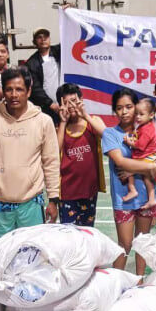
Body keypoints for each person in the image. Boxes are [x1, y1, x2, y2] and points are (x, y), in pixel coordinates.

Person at [0, 67, 61, 242]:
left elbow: (51, 162)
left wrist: (53, 199)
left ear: (29, 91)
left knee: (32, 260)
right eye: (9, 89)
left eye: (19, 89)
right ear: (3, 92)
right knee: (1, 261)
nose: (14, 94)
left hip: (32, 205)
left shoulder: (44, 121)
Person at [103, 88, 156, 275]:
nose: (125, 112)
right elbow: (120, 162)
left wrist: (135, 168)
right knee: (125, 244)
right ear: (114, 111)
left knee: (142, 243)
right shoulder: (110, 134)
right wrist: (148, 166)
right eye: (119, 108)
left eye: (129, 107)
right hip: (124, 199)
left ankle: (139, 282)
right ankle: (116, 282)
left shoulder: (149, 132)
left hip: (147, 198)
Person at [56, 83, 107, 227]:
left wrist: (84, 115)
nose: (71, 106)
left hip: (89, 192)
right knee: (68, 238)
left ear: (81, 100)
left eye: (73, 101)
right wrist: (63, 122)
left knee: (87, 235)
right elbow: (54, 152)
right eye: (66, 103)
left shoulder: (93, 121)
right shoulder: (59, 128)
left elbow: (107, 136)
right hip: (67, 194)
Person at [123, 98, 156, 209]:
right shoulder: (145, 126)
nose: (138, 117)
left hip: (147, 158)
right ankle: (152, 199)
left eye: (141, 114)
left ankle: (132, 190)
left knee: (129, 168)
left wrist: (129, 142)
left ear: (151, 115)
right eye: (136, 114)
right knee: (147, 179)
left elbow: (141, 146)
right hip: (149, 157)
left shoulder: (147, 129)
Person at [26, 27, 61, 124]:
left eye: (46, 36)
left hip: (64, 103)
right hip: (46, 107)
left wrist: (69, 14)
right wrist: (50, 104)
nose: (43, 39)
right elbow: (35, 88)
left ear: (50, 39)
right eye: (39, 37)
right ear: (34, 42)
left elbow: (70, 38)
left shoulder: (59, 51)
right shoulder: (31, 63)